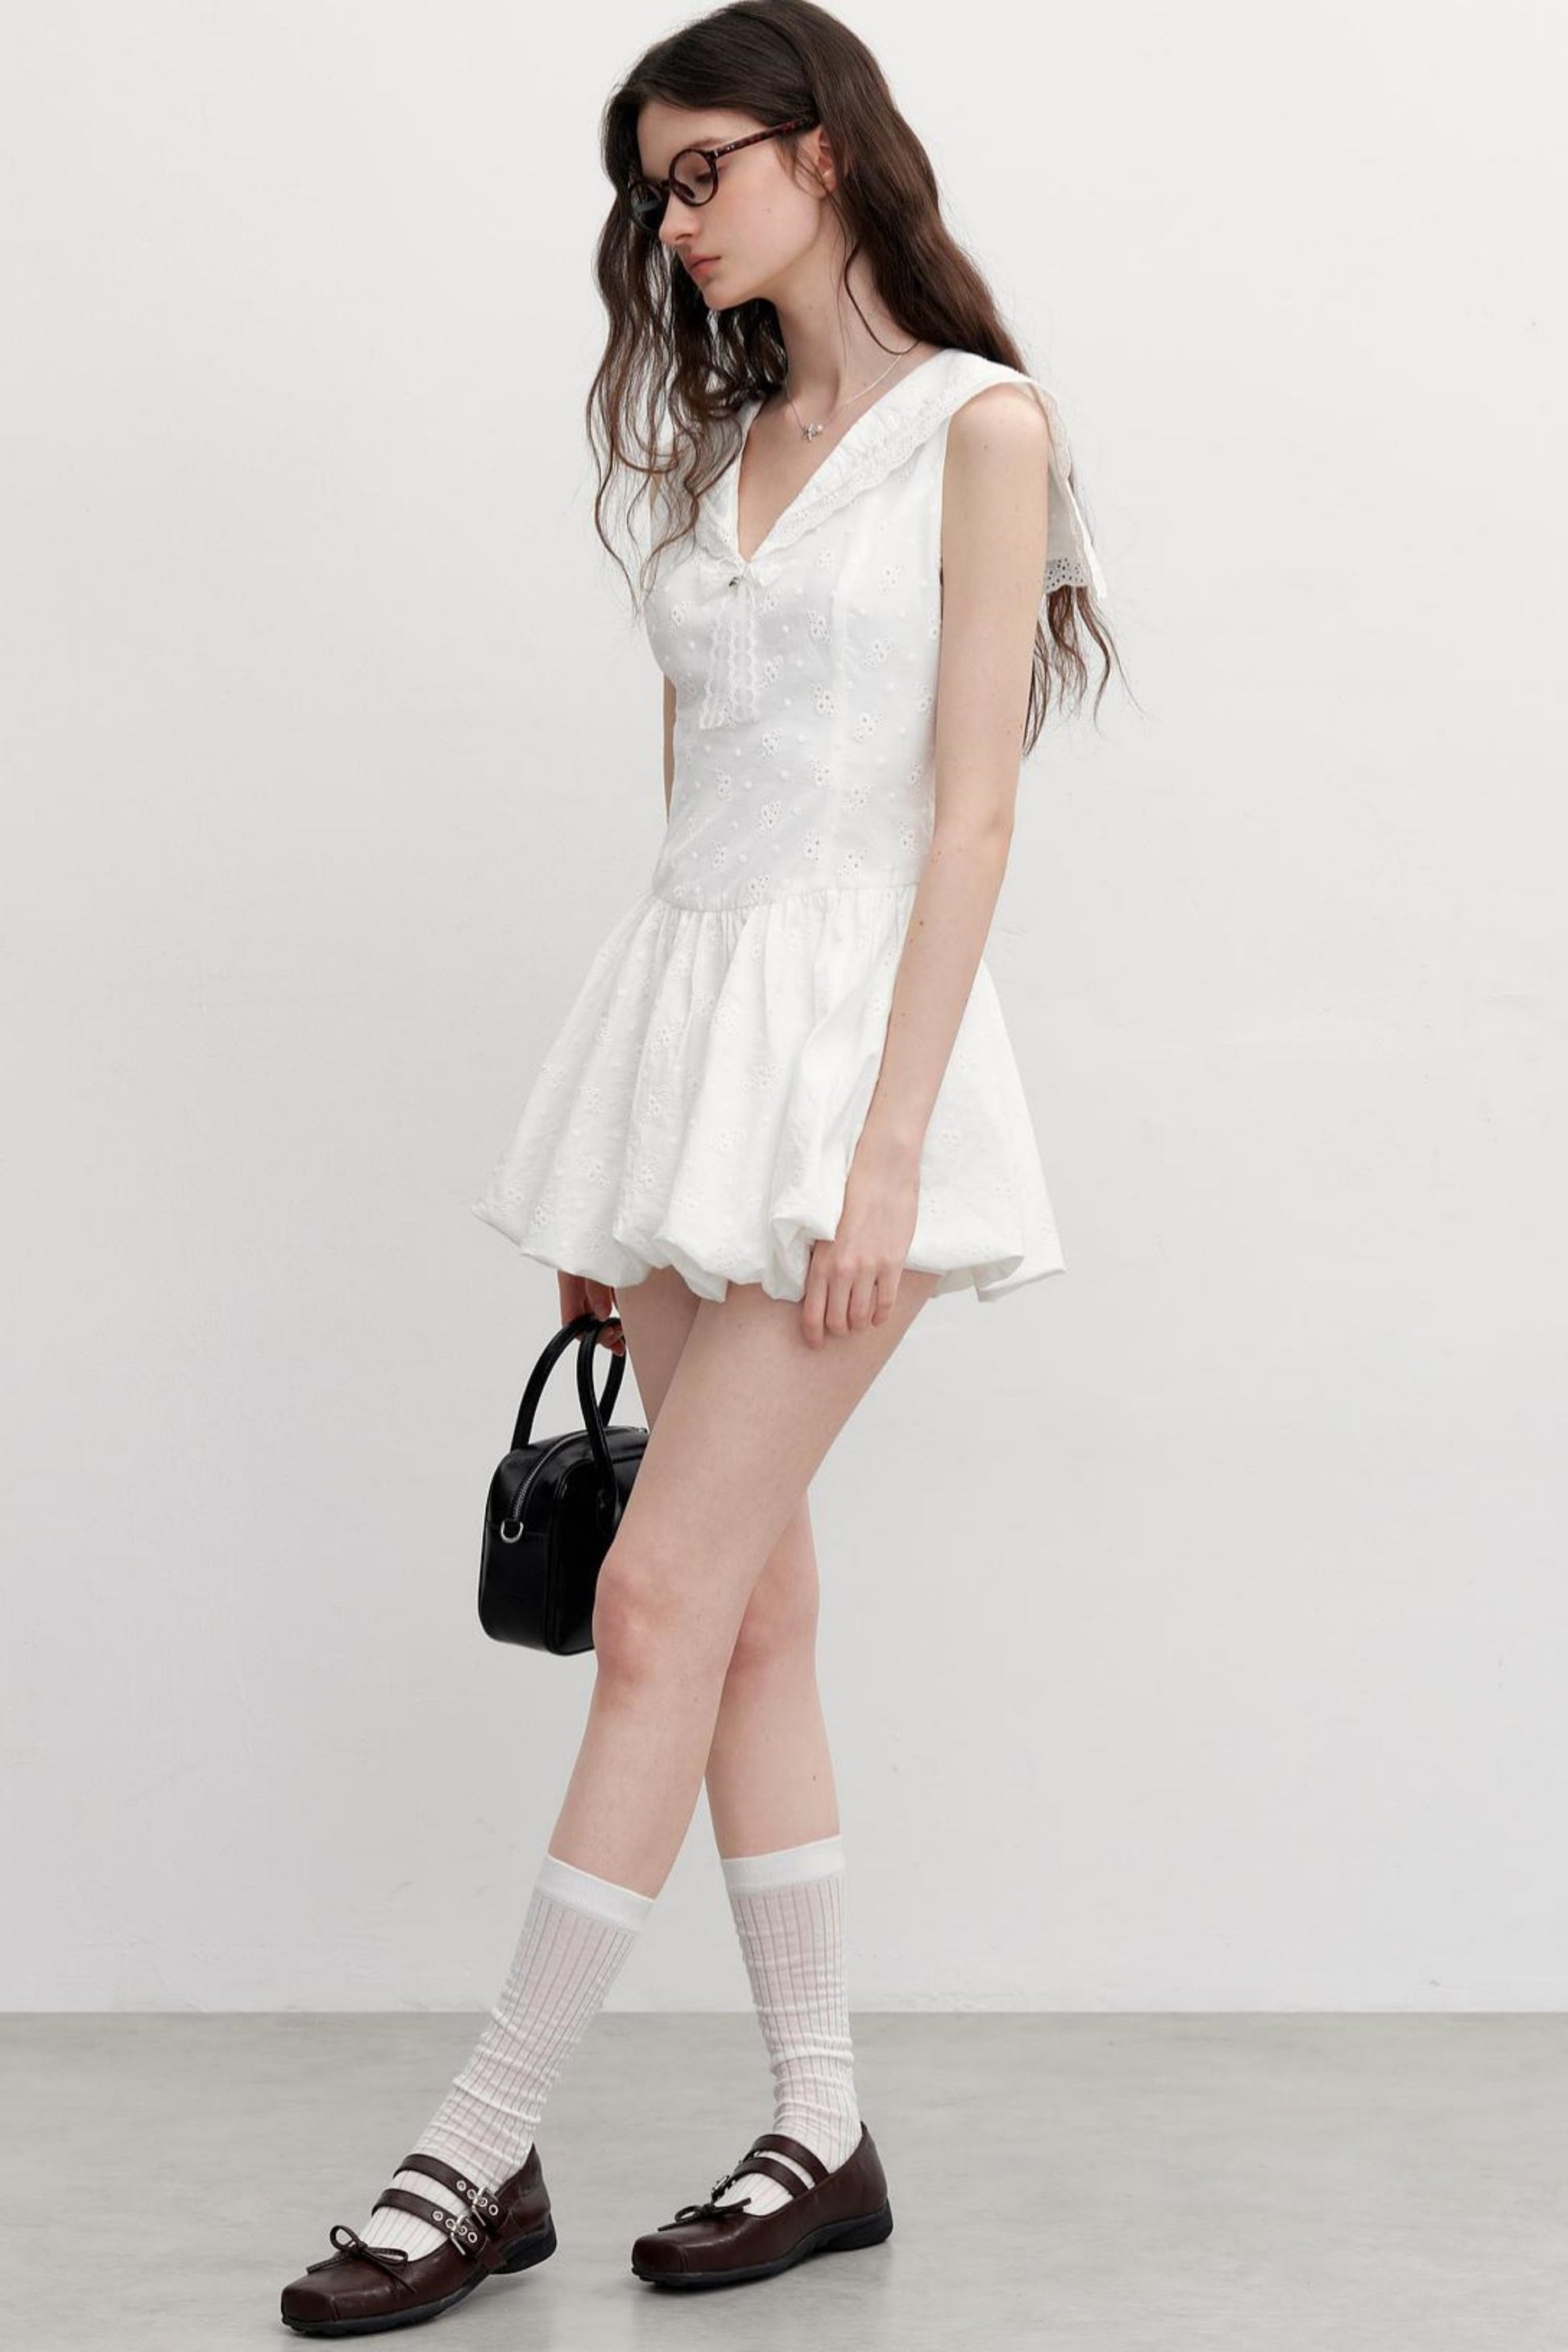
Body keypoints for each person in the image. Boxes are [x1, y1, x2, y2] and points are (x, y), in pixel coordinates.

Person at [280, 0, 1121, 2332]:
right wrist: (621, 1186)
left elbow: (970, 819)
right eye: (650, 189)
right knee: (743, 1606)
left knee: (652, 1600)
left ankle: (480, 2146)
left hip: (856, 1078)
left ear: (825, 152)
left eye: (702, 169)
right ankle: (821, 2125)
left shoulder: (981, 430)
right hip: (683, 1062)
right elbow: (694, 823)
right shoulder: (721, 457)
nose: (671, 219)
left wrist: (883, 1154)